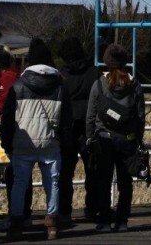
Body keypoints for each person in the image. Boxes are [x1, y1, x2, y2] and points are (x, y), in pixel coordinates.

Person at [1, 38, 71, 240]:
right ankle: (51, 223)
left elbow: (7, 119)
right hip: (50, 143)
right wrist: (66, 144)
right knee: (53, 183)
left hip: (23, 143)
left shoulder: (17, 86)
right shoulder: (60, 87)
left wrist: (7, 143)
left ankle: (16, 222)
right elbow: (66, 122)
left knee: (19, 184)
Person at [85, 43, 146, 232]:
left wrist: (89, 137)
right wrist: (138, 139)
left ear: (107, 61)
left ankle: (103, 220)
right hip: (127, 139)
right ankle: (122, 221)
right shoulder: (134, 84)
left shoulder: (99, 84)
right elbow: (140, 116)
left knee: (102, 181)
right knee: (125, 183)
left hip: (104, 138)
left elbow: (91, 114)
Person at [57, 37, 103, 225]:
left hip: (67, 127)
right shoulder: (94, 73)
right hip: (89, 126)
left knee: (64, 173)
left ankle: (64, 211)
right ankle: (92, 209)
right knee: (92, 170)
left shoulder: (61, 76)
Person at [0, 45, 30, 227]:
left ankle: (18, 214)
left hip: (13, 130)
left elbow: (4, 104)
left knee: (13, 173)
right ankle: (22, 213)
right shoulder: (10, 75)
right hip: (18, 128)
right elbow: (5, 95)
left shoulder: (8, 76)